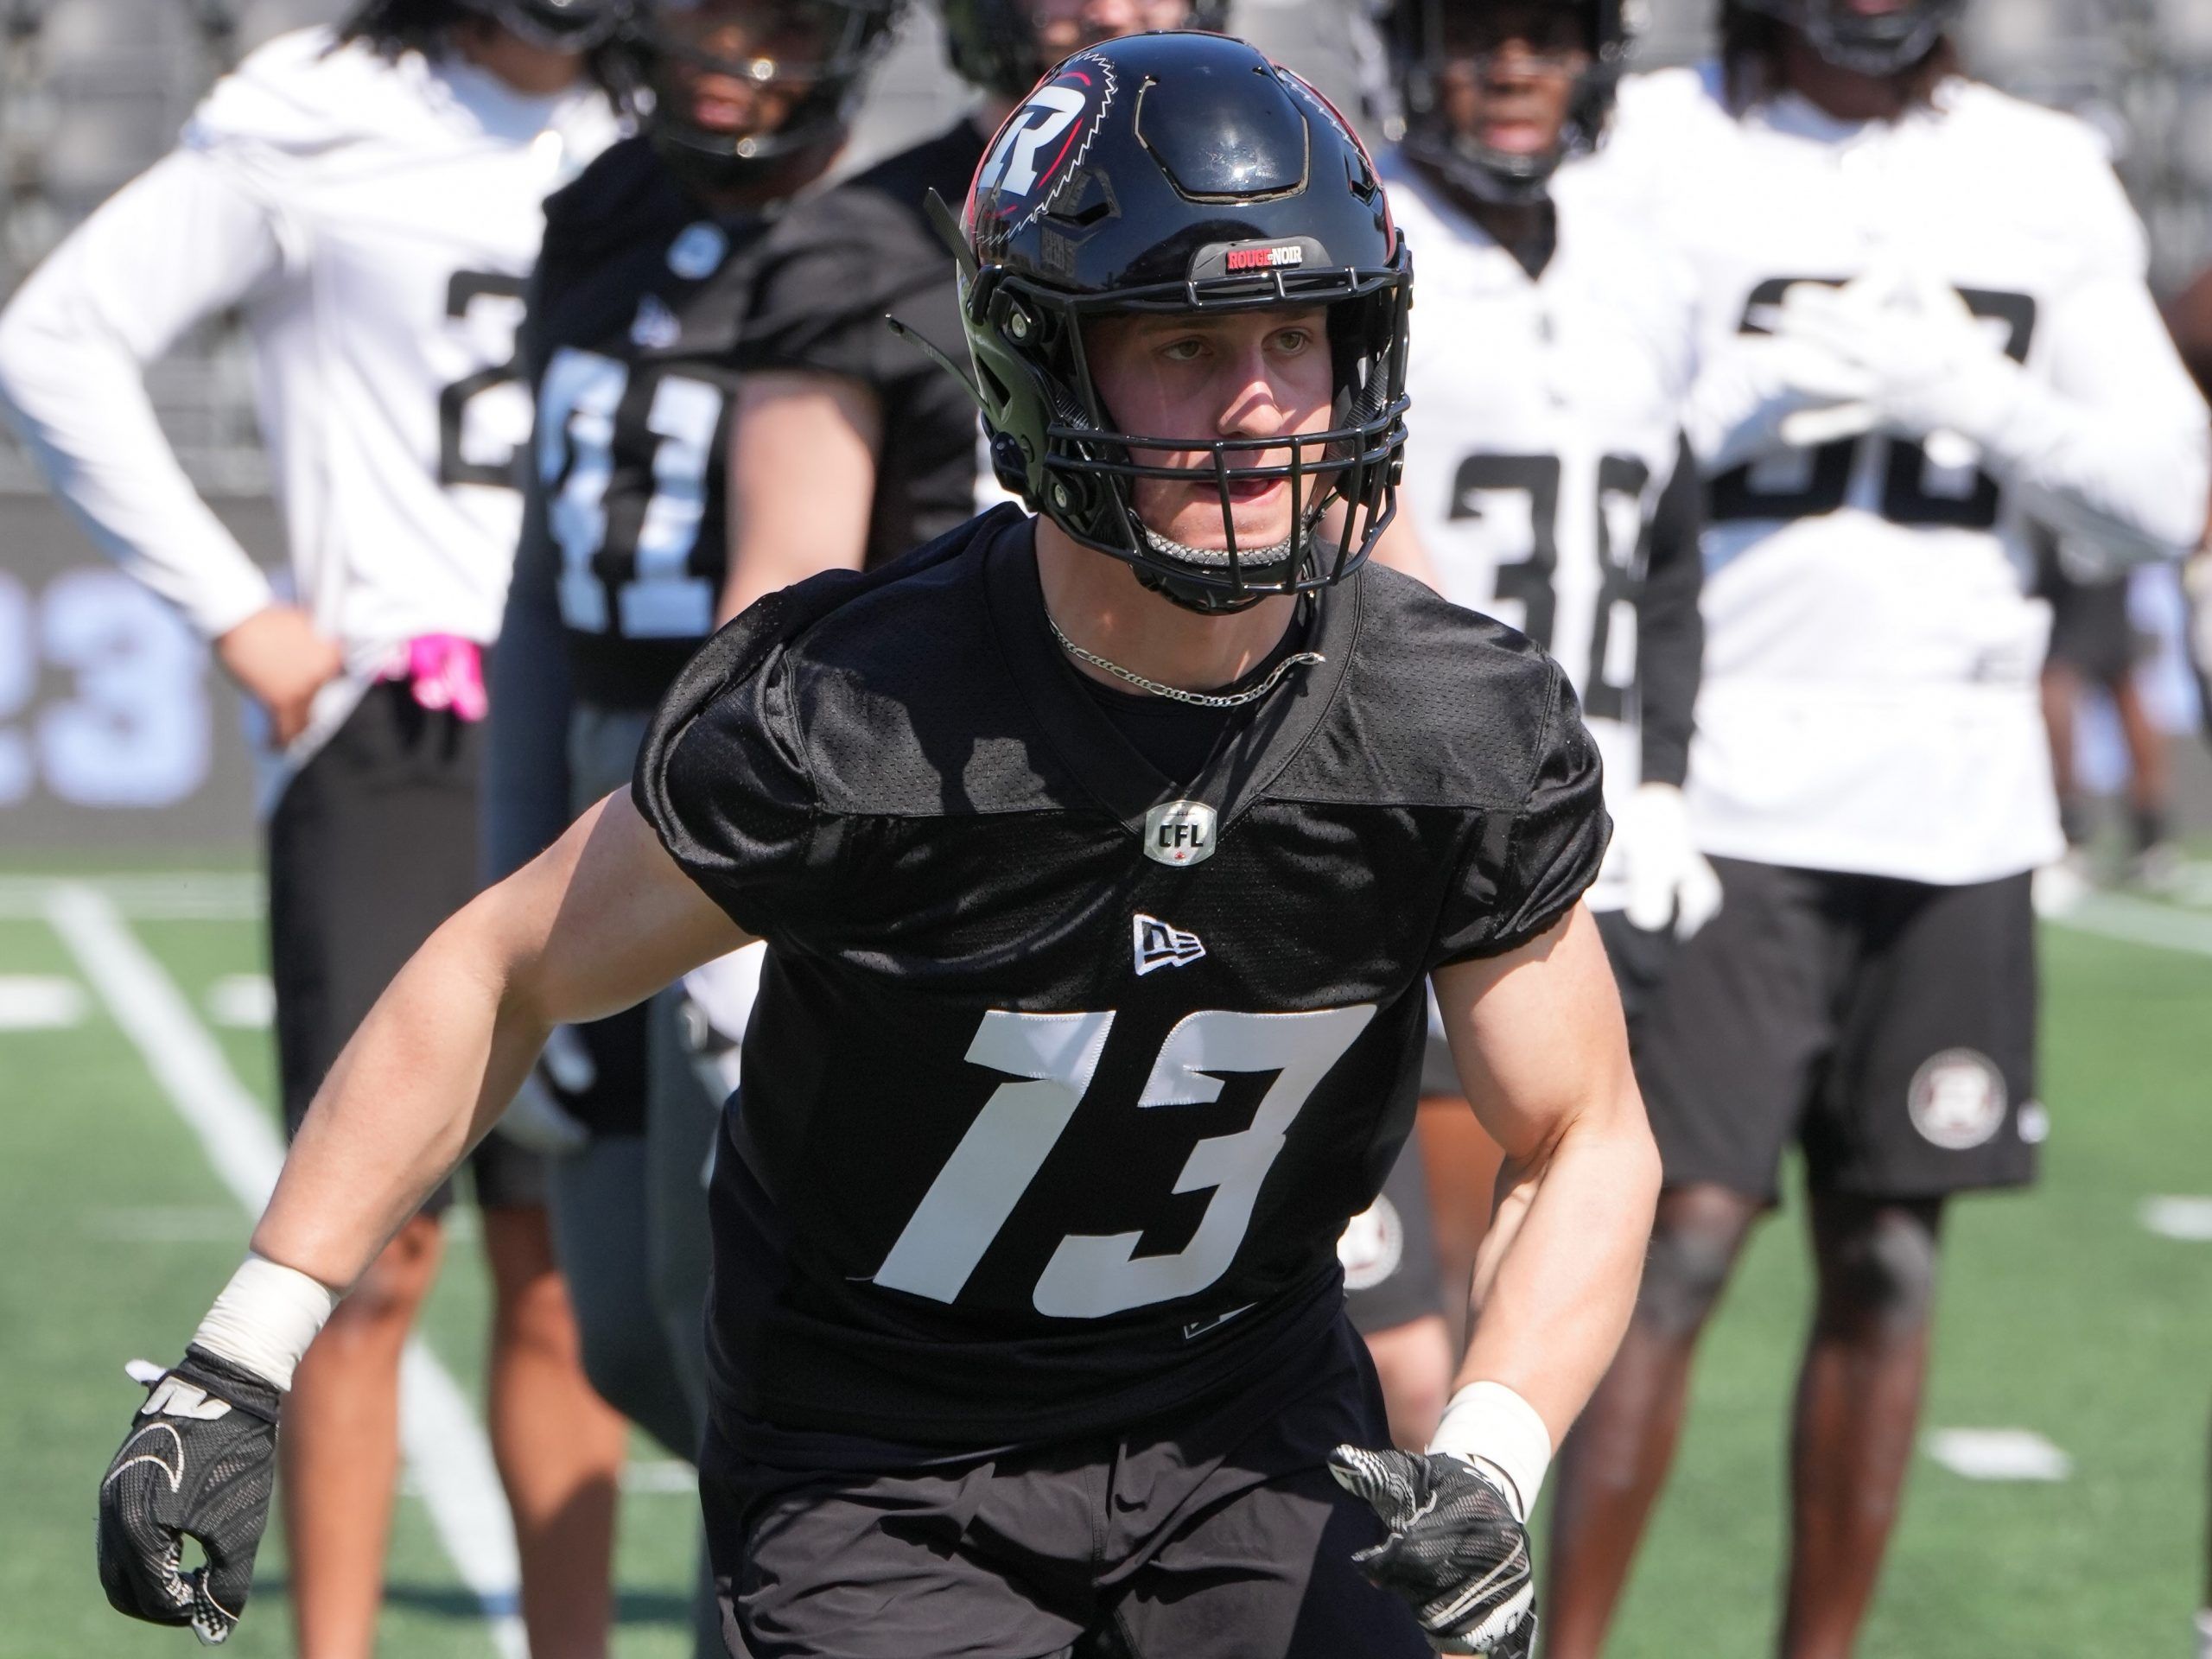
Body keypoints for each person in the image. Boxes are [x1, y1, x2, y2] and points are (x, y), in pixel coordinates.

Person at [93, 33, 1662, 1659]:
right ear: (1044, 368)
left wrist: (1493, 1445)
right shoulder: (864, 714)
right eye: (1186, 344)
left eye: (1297, 335)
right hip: (887, 1455)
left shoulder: (1449, 723)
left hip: (1245, 1418)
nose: (1260, 407)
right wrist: (242, 1351)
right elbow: (501, 973)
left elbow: (1584, 1131)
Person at [1539, 4, 2212, 1656]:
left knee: (1894, 1254)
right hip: (1716, 787)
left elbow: (2157, 492)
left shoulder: (2040, 168)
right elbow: (1556, 428)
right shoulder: (1658, 140)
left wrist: (1977, 396)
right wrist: (1742, 401)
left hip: (1956, 798)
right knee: (1679, 1241)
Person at [0, 4, 630, 1655]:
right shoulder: (323, 109)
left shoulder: (671, 116)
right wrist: (234, 608)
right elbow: (54, 341)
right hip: (403, 724)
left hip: (608, 719)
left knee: (567, 1265)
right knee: (363, 1252)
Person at [481, 0, 898, 1646]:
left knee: (739, 1325)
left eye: (774, 22)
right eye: (701, 20)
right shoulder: (598, 213)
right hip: (606, 752)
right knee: (626, 1325)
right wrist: (515, 854)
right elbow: (541, 579)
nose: (734, 61)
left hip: (775, 789)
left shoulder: (882, 234)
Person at [1365, 0, 1717, 1446]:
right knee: (1421, 1349)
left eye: (1549, 33)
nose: (1514, 66)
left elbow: (1671, 550)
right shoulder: (1362, 233)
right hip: (1414, 810)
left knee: (1545, 1317)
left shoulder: (1644, 258)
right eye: (1475, 31)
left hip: (1600, 831)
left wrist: (1668, 778)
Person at [719, 0, 1218, 626]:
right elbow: (786, 592)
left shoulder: (1274, 208)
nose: (1112, 13)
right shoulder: (855, 244)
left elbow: (1337, 543)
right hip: (955, 673)